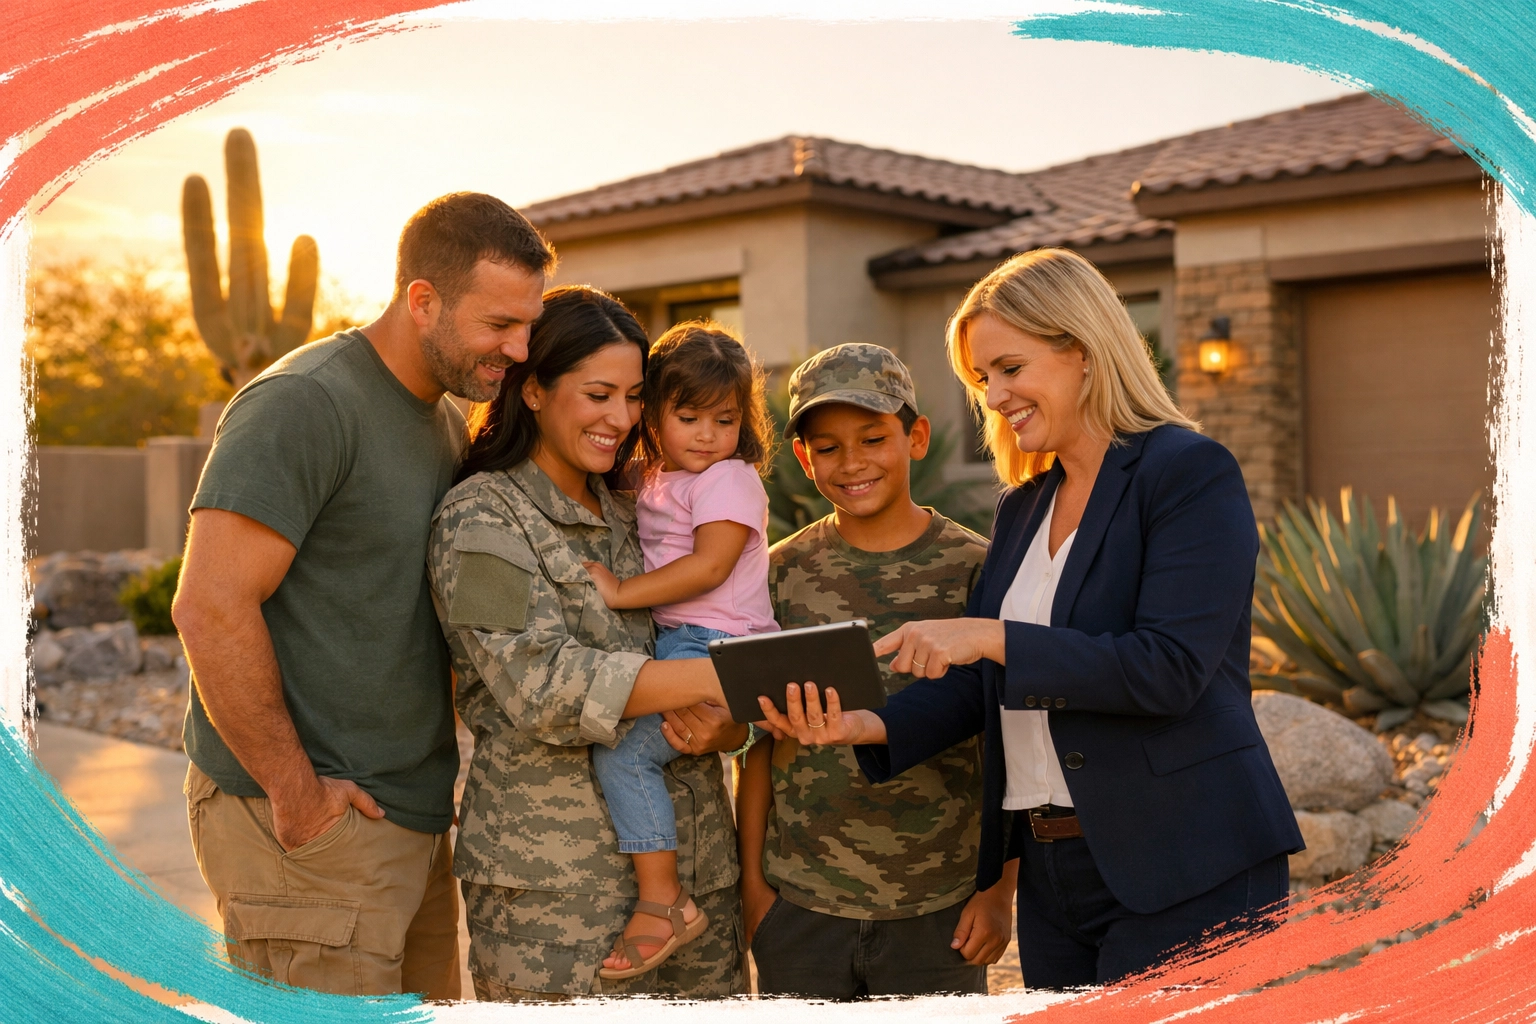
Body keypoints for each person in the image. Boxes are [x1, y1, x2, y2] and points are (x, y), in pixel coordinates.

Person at [759, 248, 1304, 989]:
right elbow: (989, 682)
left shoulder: (1187, 472)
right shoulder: (1024, 506)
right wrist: (869, 726)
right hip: (1056, 872)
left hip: (1184, 861)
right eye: (983, 379)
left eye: (1010, 368)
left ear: (1080, 350)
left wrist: (988, 635)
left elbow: (1168, 669)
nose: (995, 395)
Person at [173, 192, 553, 998]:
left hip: (407, 822)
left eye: (528, 324)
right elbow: (209, 606)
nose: (520, 350)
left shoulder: (444, 422)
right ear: (423, 301)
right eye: (498, 326)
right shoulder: (305, 403)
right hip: (313, 828)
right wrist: (297, 796)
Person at [427, 286, 748, 1002]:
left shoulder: (649, 506)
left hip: (697, 887)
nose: (622, 418)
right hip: (558, 909)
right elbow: (543, 685)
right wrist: (718, 680)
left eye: (636, 397)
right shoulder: (482, 520)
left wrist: (729, 721)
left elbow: (716, 639)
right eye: (599, 394)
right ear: (534, 390)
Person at [737, 343, 1015, 1000]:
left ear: (915, 437)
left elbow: (1011, 740)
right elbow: (758, 745)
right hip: (802, 910)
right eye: (827, 447)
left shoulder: (976, 570)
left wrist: (1000, 892)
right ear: (803, 459)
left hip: (939, 914)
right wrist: (755, 891)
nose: (852, 462)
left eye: (873, 438)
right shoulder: (778, 573)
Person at [577, 321, 778, 981]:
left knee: (628, 756)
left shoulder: (729, 479)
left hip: (719, 642)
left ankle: (664, 901)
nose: (705, 435)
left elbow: (709, 569)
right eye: (686, 416)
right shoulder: (656, 474)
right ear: (653, 417)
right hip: (684, 641)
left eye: (723, 419)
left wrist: (620, 592)